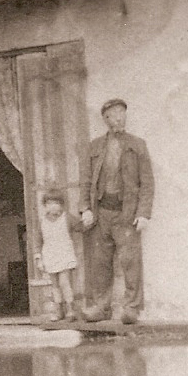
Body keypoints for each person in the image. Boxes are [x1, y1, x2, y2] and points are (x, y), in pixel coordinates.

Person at [79, 98, 154, 324]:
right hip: (101, 212)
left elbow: (147, 183)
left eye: (121, 113)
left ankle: (131, 308)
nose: (118, 118)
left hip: (127, 213)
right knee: (100, 263)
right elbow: (86, 181)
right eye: (112, 114)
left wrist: (143, 213)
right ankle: (101, 308)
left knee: (130, 261)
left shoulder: (137, 145)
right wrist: (85, 209)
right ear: (105, 119)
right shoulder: (95, 147)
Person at [33, 190, 83, 321]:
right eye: (49, 203)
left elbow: (80, 226)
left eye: (56, 203)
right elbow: (38, 241)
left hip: (64, 253)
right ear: (45, 205)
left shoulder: (67, 218)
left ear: (61, 205)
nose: (53, 206)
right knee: (54, 284)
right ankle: (58, 310)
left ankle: (70, 309)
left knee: (64, 282)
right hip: (50, 255)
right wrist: (39, 258)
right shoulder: (42, 221)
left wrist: (86, 217)